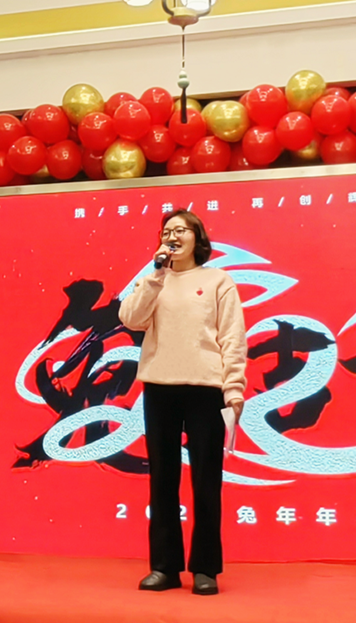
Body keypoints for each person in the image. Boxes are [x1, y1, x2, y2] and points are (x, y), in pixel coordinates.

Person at [118, 209, 247, 596]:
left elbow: (232, 337)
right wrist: (156, 275)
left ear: (197, 238)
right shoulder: (153, 279)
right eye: (167, 231)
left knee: (206, 480)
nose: (172, 236)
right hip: (160, 387)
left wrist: (234, 388)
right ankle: (164, 568)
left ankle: (205, 568)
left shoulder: (217, 280)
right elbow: (130, 318)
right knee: (162, 479)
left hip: (206, 388)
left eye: (181, 230)